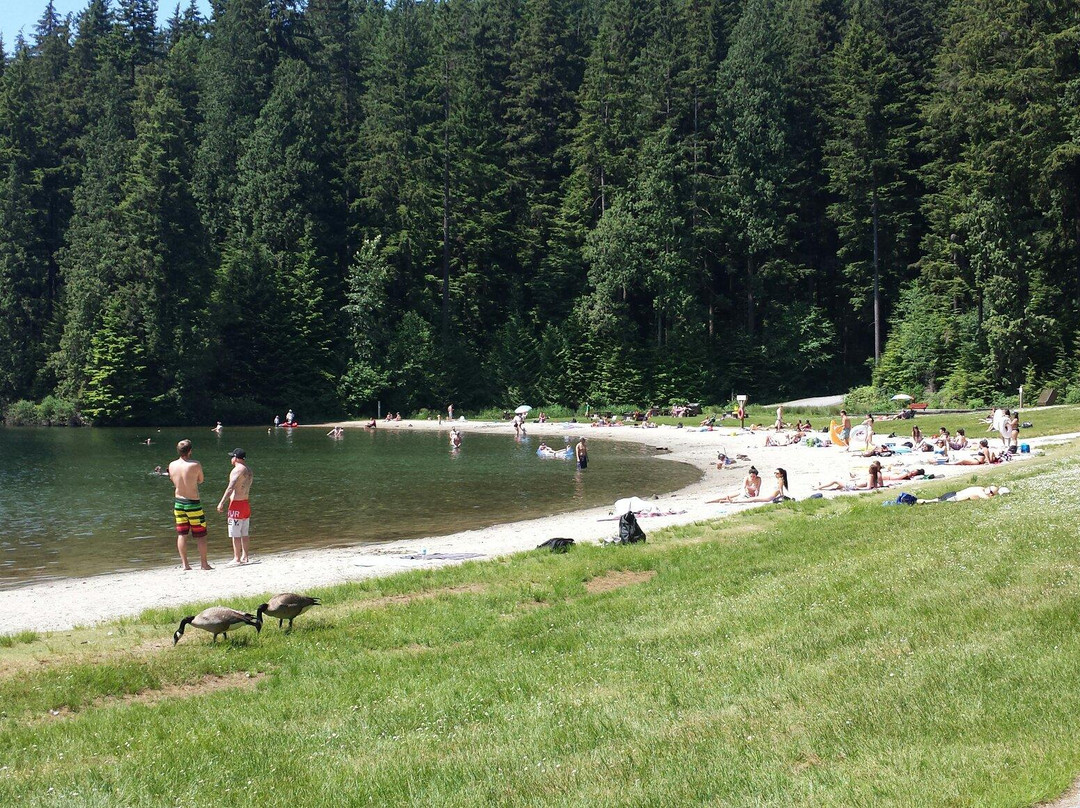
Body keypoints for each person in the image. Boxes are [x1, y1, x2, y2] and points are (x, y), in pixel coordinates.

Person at [169, 439, 210, 571]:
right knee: (201, 535)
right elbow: (201, 480)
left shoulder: (172, 465)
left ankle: (185, 564)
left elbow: (172, 480)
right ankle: (204, 564)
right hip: (193, 503)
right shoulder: (195, 464)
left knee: (182, 534)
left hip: (179, 503)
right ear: (190, 451)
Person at [217, 448, 253, 565]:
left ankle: (237, 558)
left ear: (236, 458)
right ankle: (245, 556)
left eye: (232, 456)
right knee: (245, 532)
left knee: (235, 533)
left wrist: (222, 502)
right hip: (245, 503)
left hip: (236, 504)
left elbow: (230, 487)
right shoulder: (249, 470)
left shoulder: (237, 470)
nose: (231, 459)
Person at [814, 461, 884, 491]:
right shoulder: (873, 476)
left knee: (835, 480)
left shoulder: (870, 476)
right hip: (853, 485)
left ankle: (818, 487)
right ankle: (822, 485)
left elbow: (869, 487)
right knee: (839, 485)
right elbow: (874, 486)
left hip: (853, 486)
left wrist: (858, 488)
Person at [918, 485, 1008, 503]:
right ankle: (918, 501)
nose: (991, 494)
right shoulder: (980, 492)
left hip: (953, 494)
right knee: (932, 502)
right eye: (991, 493)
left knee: (935, 500)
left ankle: (919, 501)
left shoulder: (980, 488)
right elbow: (987, 499)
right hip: (953, 498)